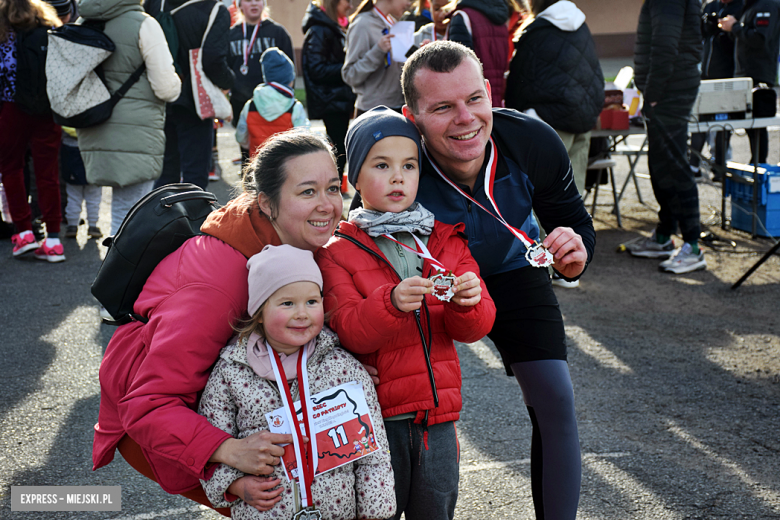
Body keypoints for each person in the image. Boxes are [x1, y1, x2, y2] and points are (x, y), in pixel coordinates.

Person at [92, 130, 344, 514]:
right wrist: (231, 450)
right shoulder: (218, 284)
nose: (327, 206)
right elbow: (148, 405)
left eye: (332, 188)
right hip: (164, 424)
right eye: (307, 192)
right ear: (267, 203)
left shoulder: (287, 240)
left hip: (227, 405)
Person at [399, 41, 594, 520]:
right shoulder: (394, 154)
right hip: (424, 283)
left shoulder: (532, 141)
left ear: (490, 93)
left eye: (473, 99)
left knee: (555, 399)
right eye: (442, 107)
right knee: (398, 410)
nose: (465, 118)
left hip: (512, 269)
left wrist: (575, 255)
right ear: (412, 117)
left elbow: (576, 224)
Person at [318, 106, 496, 520]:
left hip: (439, 417)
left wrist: (469, 303)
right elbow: (348, 329)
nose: (398, 176)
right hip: (377, 421)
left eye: (409, 165)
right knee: (375, 514)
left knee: (436, 512)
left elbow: (476, 327)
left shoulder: (446, 241)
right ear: (353, 179)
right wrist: (390, 303)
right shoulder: (338, 251)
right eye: (382, 165)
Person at [199, 244, 396, 519]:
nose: (302, 313)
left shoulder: (343, 367)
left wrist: (376, 513)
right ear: (259, 312)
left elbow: (373, 453)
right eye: (287, 303)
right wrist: (235, 485)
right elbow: (212, 442)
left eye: (312, 302)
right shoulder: (231, 373)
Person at [77, 0, 181, 237]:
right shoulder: (144, 24)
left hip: (93, 123)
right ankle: (119, 270)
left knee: (121, 207)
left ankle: (115, 267)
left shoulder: (83, 22)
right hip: (136, 129)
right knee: (133, 211)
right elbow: (166, 88)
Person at [630, 0, 705, 274]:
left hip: (669, 92)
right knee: (661, 165)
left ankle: (693, 247)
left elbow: (665, 46)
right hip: (671, 89)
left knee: (673, 166)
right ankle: (664, 236)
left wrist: (652, 95)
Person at [505, 0, 604, 197]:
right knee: (573, 197)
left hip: (549, 122)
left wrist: (516, 119)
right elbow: (594, 73)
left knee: (544, 196)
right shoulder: (581, 26)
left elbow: (518, 81)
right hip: (582, 120)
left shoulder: (536, 32)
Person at [145, 0, 234, 191]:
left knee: (164, 175)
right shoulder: (214, 10)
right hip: (194, 102)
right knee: (195, 176)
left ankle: (162, 219)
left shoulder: (155, 4)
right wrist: (228, 81)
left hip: (158, 97)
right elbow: (213, 59)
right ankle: (191, 220)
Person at [0, 0, 64, 262]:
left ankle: (24, 233)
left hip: (10, 109)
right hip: (46, 109)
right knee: (48, 173)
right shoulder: (49, 30)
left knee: (11, 169)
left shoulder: (3, 34)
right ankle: (53, 240)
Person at [228, 0, 295, 168]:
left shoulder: (277, 32)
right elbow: (224, 67)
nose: (254, 4)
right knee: (247, 152)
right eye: (248, 0)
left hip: (274, 101)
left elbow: (290, 68)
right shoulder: (231, 34)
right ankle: (249, 184)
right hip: (241, 100)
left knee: (277, 150)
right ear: (239, 5)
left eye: (258, 0)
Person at [719, 0, 780, 165]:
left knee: (758, 125)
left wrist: (735, 27)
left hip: (758, 75)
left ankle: (759, 165)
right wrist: (730, 27)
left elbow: (759, 38)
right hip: (744, 75)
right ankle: (751, 164)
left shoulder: (766, 5)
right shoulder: (750, 6)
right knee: (746, 123)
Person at [302, 0, 356, 180]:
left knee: (340, 148)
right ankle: (332, 187)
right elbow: (316, 69)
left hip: (337, 98)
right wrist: (348, 67)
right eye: (346, 2)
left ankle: (334, 187)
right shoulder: (319, 30)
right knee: (338, 150)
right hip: (331, 99)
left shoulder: (332, 26)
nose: (350, 6)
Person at [689, 0, 742, 180]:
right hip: (706, 73)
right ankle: (693, 165)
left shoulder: (740, 7)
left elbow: (740, 40)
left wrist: (727, 30)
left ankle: (719, 166)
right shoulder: (711, 6)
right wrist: (707, 25)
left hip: (726, 75)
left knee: (722, 125)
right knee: (699, 122)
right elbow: (698, 34)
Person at [235, 48, 309, 159]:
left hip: (257, 162)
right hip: (286, 165)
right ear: (288, 79)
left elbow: (241, 137)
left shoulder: (250, 105)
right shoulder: (294, 107)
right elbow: (304, 138)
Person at [342, 0, 411, 117]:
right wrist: (378, 51)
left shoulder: (392, 22)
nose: (409, 3)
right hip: (372, 111)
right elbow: (350, 75)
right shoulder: (362, 24)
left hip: (398, 106)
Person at [447, 0, 511, 107]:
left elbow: (458, 68)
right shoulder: (500, 18)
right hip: (497, 100)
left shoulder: (463, 16)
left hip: (473, 102)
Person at [60, 126, 102, 239]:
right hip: (94, 146)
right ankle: (93, 225)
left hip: (70, 148)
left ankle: (72, 225)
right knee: (94, 194)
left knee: (73, 194)